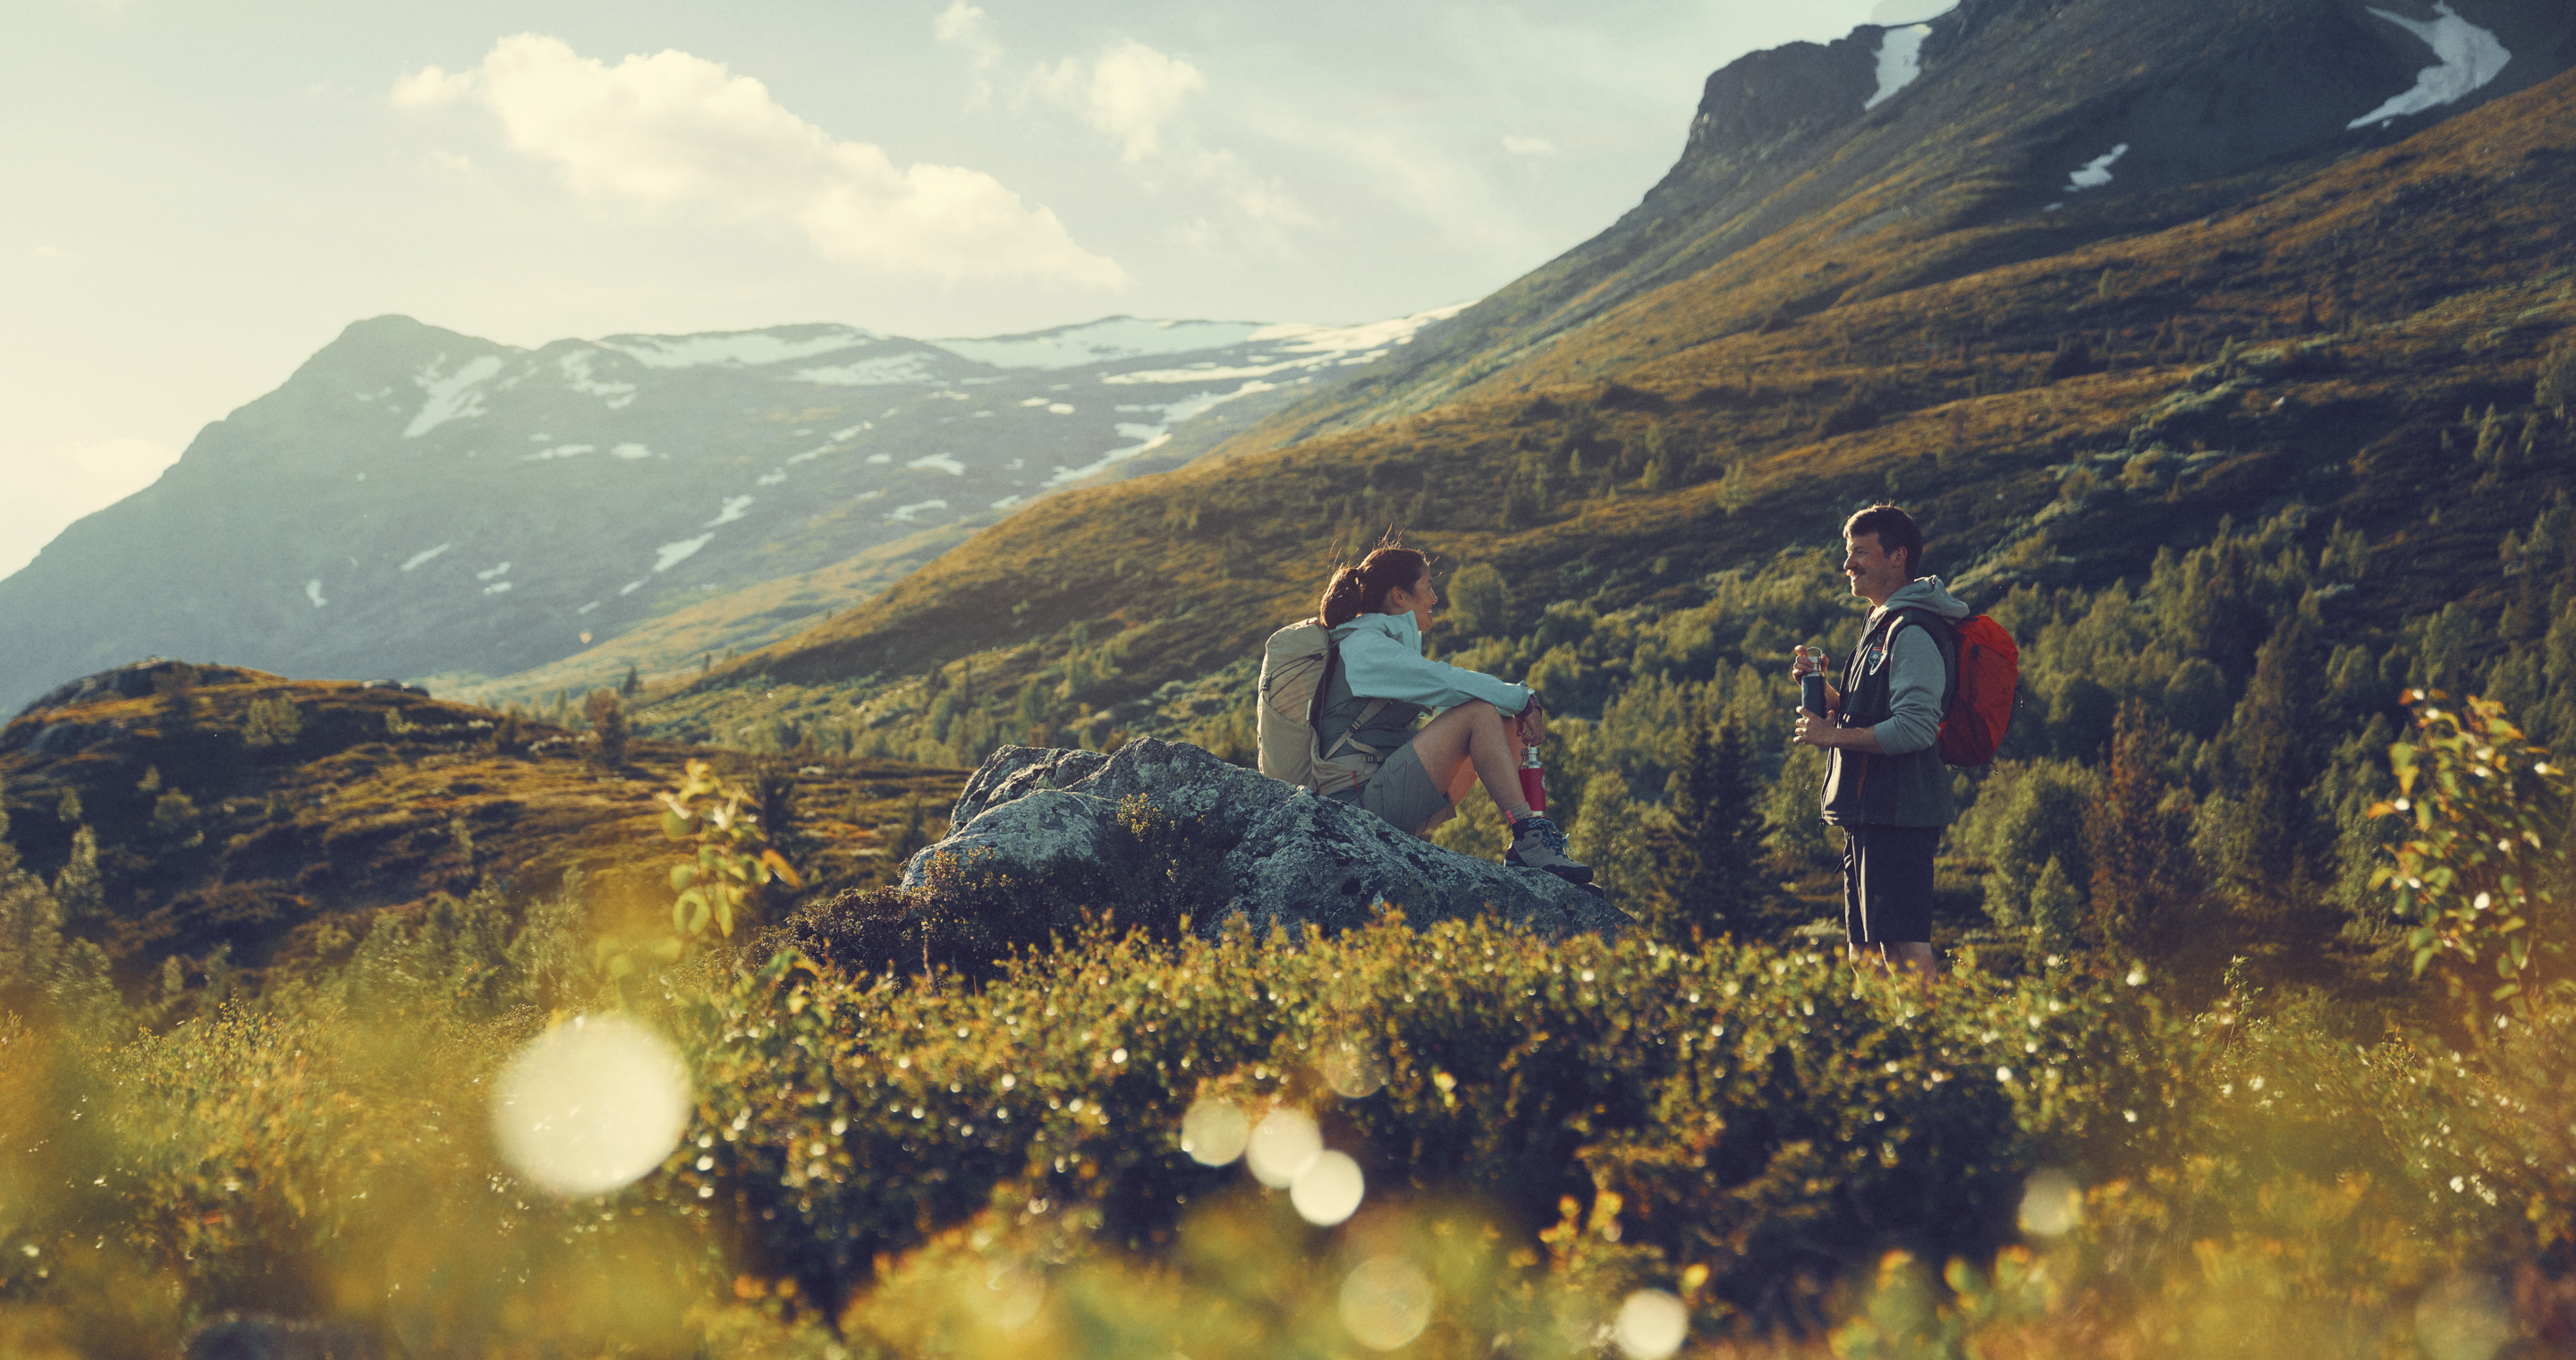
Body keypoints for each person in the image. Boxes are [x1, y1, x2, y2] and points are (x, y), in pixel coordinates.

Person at [1310, 544, 1590, 883]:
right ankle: (1531, 839)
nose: (1435, 599)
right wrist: (1523, 699)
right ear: (1399, 596)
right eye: (1428, 586)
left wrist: (1514, 706)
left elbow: (1445, 693)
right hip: (1353, 806)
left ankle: (1527, 842)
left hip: (1377, 791)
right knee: (1480, 714)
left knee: (1499, 720)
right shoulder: (1364, 646)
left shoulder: (1375, 642)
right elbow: (1445, 680)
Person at [1790, 505, 1969, 978]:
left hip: (1899, 813)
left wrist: (1830, 735)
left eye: (1860, 553)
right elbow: (1863, 713)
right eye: (1848, 554)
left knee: (1904, 952)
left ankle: (1927, 1049)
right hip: (1870, 812)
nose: (1848, 565)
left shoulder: (1911, 631)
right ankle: (1877, 1047)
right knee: (1864, 956)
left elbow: (1914, 728)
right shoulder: (1881, 624)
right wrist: (1823, 689)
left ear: (1898, 557)